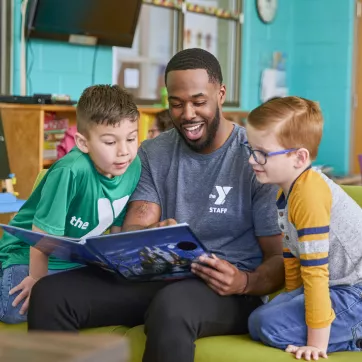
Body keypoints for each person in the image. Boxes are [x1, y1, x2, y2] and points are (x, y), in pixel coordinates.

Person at [27, 48, 284, 362]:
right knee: (51, 295)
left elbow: (278, 259)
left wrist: (245, 282)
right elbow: (136, 223)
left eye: (198, 102)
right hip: (159, 277)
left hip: (228, 290)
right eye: (176, 104)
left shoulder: (254, 158)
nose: (187, 114)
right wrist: (150, 235)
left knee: (172, 305)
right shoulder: (154, 152)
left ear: (220, 94)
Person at [0, 84, 141, 324]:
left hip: (73, 262)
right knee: (17, 310)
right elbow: (40, 237)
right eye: (109, 142)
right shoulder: (70, 171)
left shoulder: (132, 166)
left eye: (131, 138)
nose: (124, 152)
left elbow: (116, 222)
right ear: (83, 143)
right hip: (26, 255)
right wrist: (37, 281)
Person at [246, 96, 362, 360]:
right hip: (335, 287)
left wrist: (316, 344)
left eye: (262, 153)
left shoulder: (309, 195)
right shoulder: (285, 192)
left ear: (299, 157)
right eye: (250, 149)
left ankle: (356, 334)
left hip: (354, 291)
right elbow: (292, 257)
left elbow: (316, 271)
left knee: (265, 324)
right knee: (258, 318)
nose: (252, 160)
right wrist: (290, 298)